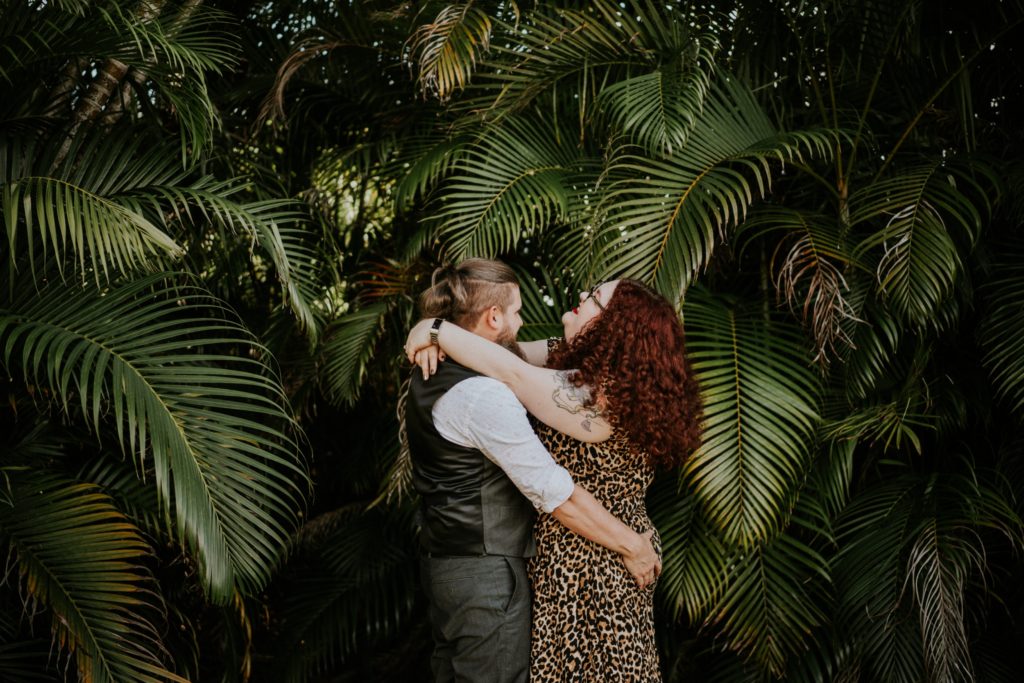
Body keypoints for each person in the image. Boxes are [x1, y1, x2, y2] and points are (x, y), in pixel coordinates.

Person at [406, 277, 702, 682]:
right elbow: (497, 351)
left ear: (612, 326)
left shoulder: (601, 396)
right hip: (564, 557)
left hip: (596, 561)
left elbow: (507, 368)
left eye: (595, 298)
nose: (582, 295)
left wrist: (435, 329)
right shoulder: (573, 364)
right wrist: (433, 334)